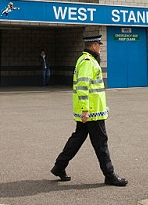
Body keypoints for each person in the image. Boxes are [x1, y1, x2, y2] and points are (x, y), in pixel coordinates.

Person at [50, 34, 128, 187]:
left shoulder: (85, 59)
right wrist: (85, 109)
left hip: (90, 110)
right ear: (94, 46)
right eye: (99, 45)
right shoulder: (88, 62)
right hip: (92, 112)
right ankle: (110, 175)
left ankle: (59, 166)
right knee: (101, 143)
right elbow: (82, 87)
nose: (100, 48)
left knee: (77, 139)